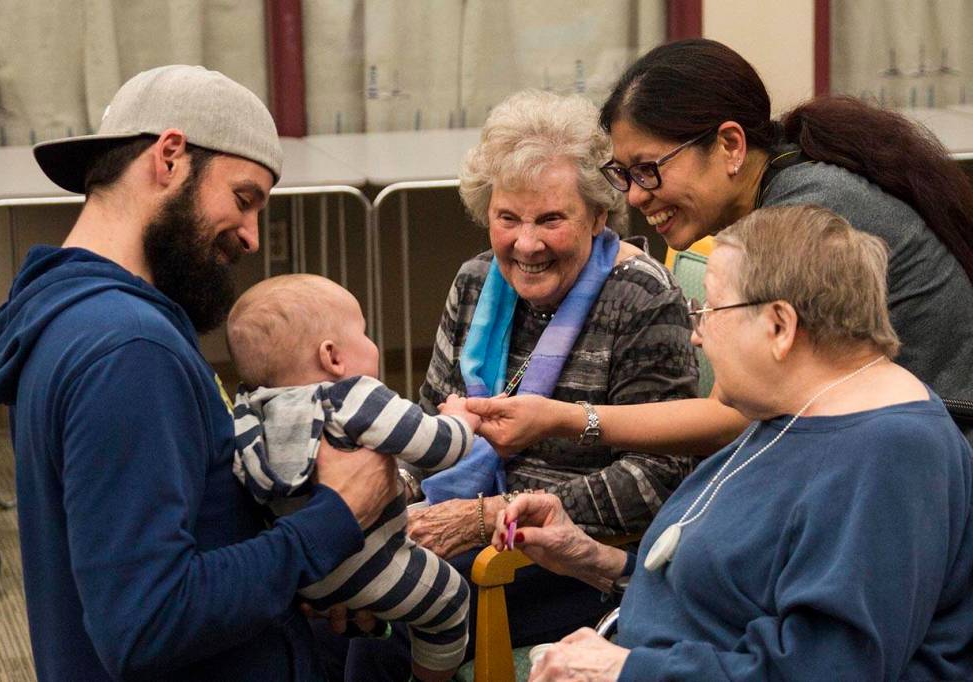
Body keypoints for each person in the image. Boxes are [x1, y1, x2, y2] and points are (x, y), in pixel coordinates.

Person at [0, 65, 397, 681]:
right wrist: (336, 517)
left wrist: (294, 583)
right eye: (243, 198)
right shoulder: (130, 349)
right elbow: (145, 624)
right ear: (169, 158)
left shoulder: (69, 313)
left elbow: (151, 548)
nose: (252, 236)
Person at [494, 205, 973, 681]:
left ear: (779, 327)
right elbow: (732, 590)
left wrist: (627, 669)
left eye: (706, 311)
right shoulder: (791, 410)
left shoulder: (890, 454)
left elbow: (824, 668)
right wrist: (597, 560)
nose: (696, 337)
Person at [327, 89, 700, 678]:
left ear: (599, 216)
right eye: (508, 219)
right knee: (320, 585)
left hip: (566, 561)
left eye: (551, 219)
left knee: (388, 603)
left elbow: (661, 474)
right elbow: (426, 426)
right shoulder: (475, 281)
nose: (526, 244)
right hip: (458, 531)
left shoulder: (640, 297)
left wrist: (488, 515)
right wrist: (387, 489)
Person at [469, 38, 973, 455]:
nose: (636, 194)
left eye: (649, 168)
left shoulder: (802, 220)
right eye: (623, 173)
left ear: (730, 145)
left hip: (937, 454)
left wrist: (559, 418)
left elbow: (731, 416)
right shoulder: (795, 182)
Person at [226, 274, 480, 682]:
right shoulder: (353, 396)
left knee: (379, 618)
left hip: (307, 580)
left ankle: (380, 629)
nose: (372, 344)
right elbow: (436, 447)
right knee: (450, 597)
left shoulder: (252, 414)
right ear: (333, 356)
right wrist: (459, 420)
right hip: (371, 562)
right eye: (364, 333)